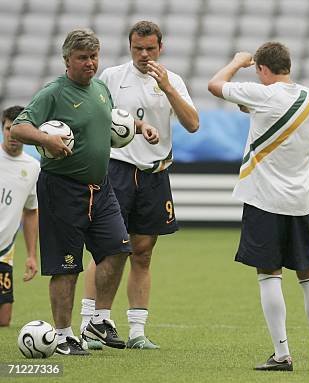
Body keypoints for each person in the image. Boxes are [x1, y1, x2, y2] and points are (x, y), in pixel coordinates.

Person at [10, 29, 159, 355]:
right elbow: (20, 127)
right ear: (67, 61)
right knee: (67, 267)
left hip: (101, 188)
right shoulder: (53, 92)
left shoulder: (101, 89)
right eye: (82, 58)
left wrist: (139, 127)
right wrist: (46, 139)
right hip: (61, 189)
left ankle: (98, 320)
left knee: (119, 249)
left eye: (94, 57)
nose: (90, 63)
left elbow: (107, 124)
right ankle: (62, 336)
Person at [207, 42, 309, 372]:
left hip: (264, 200)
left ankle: (282, 355)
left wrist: (235, 62)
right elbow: (265, 113)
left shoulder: (261, 94)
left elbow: (214, 85)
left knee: (269, 275)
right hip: (301, 201)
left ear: (262, 69)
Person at [79, 20, 199, 350]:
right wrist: (135, 125)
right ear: (129, 47)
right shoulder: (112, 77)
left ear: (161, 48)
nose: (144, 54)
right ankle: (89, 324)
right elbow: (94, 115)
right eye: (138, 48)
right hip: (116, 170)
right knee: (107, 249)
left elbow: (192, 124)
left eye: (150, 48)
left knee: (143, 254)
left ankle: (137, 332)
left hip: (154, 173)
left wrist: (169, 89)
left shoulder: (172, 80)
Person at [0, 106, 40, 326]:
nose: (12, 134)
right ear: (2, 129)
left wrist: (32, 255)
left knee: (4, 321)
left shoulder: (33, 167)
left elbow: (31, 210)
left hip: (4, 252)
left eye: (17, 129)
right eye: (8, 129)